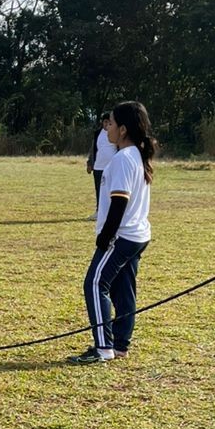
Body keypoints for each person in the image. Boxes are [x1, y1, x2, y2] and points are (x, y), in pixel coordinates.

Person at [69, 100, 156, 366]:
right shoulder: (136, 156)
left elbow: (119, 203)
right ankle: (120, 345)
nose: (107, 127)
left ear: (123, 130)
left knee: (95, 283)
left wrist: (104, 238)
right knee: (123, 290)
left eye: (112, 123)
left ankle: (104, 347)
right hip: (138, 235)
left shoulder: (122, 159)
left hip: (122, 237)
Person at [86, 111, 116, 219]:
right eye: (105, 122)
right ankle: (99, 211)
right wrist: (90, 163)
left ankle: (112, 212)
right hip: (98, 166)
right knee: (99, 190)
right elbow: (93, 149)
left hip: (111, 167)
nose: (107, 124)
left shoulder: (116, 134)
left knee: (111, 190)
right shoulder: (97, 133)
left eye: (109, 122)